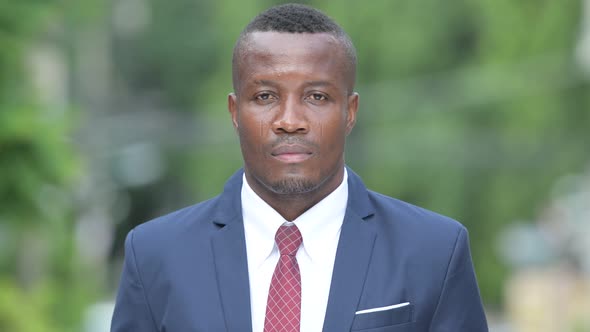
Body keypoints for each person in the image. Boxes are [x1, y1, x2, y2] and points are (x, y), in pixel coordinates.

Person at [110, 3, 488, 332]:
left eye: (317, 96)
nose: (290, 120)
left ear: (350, 112)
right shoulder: (155, 255)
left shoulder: (433, 251)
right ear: (234, 112)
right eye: (265, 96)